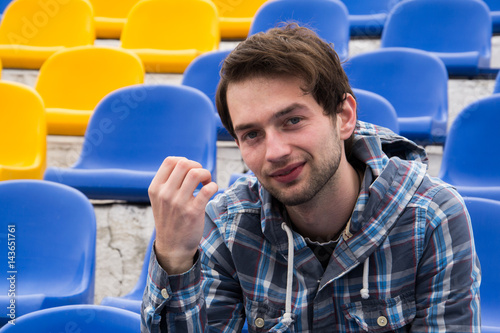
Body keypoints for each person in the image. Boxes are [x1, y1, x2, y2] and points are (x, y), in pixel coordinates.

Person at [142, 23, 481, 332]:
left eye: (292, 121)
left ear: (344, 116)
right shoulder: (228, 225)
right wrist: (174, 259)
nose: (274, 152)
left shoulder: (432, 215)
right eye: (252, 135)